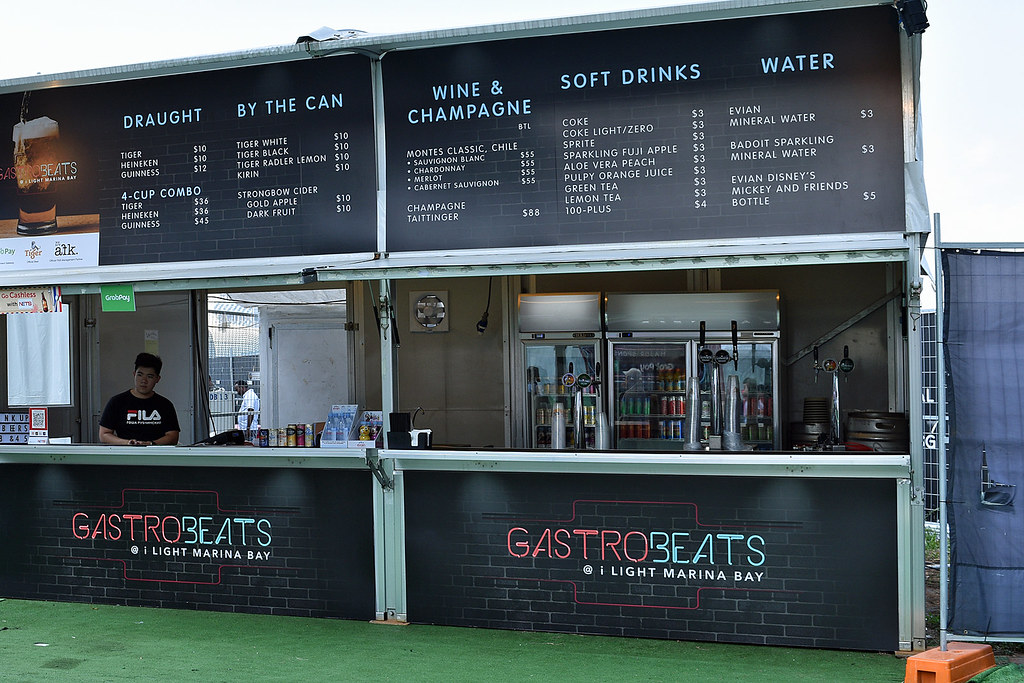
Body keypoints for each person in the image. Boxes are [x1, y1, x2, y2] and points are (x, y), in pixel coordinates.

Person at [99, 352, 180, 446]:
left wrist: (151, 444)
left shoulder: (165, 405)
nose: (144, 380)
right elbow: (104, 434)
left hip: (156, 456)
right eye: (140, 375)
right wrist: (128, 443)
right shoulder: (117, 402)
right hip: (125, 456)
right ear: (134, 374)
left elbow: (173, 436)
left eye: (150, 376)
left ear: (157, 379)